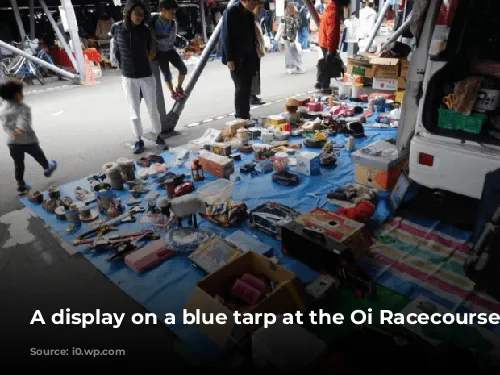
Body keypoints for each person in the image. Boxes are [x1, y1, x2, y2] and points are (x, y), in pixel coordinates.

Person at [110, 0, 167, 154]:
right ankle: (138, 140)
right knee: (134, 113)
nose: (140, 17)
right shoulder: (117, 28)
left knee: (153, 109)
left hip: (147, 75)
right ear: (128, 12)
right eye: (137, 14)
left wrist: (143, 60)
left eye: (142, 15)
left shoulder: (146, 31)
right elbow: (115, 51)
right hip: (128, 78)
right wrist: (124, 65)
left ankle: (158, 136)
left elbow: (151, 50)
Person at [0, 78, 57, 195]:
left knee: (18, 164)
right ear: (18, 94)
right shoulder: (23, 108)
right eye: (21, 92)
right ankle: (47, 168)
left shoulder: (2, 108)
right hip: (28, 141)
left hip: (12, 143)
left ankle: (21, 186)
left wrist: (13, 134)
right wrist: (18, 130)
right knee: (39, 155)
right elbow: (23, 124)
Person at [221, 0, 260, 120]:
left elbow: (252, 37)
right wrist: (229, 59)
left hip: (249, 56)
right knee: (240, 86)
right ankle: (239, 116)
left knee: (247, 86)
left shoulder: (249, 14)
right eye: (253, 2)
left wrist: (255, 55)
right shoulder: (231, 11)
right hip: (236, 57)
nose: (255, 5)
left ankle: (246, 114)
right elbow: (226, 36)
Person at [151, 0, 188, 100]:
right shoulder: (153, 20)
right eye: (172, 12)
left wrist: (156, 38)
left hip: (170, 50)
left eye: (174, 13)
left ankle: (179, 87)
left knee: (183, 69)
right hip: (160, 53)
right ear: (163, 10)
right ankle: (173, 93)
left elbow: (170, 40)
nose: (173, 15)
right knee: (167, 75)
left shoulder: (173, 23)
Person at [316, 0, 341, 92]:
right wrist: (330, 48)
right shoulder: (333, 12)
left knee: (325, 62)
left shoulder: (328, 9)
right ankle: (325, 86)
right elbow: (331, 32)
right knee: (328, 65)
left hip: (323, 41)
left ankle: (319, 81)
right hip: (328, 43)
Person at [251, 1, 266, 106]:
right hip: (253, 52)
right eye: (258, 7)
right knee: (253, 75)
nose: (260, 9)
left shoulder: (255, 19)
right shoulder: (250, 19)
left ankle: (254, 95)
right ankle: (252, 96)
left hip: (256, 51)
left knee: (256, 74)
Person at [283, 2, 304, 74]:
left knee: (290, 51)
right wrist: (291, 39)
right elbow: (294, 27)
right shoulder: (291, 17)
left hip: (288, 36)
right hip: (290, 37)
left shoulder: (289, 15)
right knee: (292, 51)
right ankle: (293, 66)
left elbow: (298, 25)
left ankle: (290, 67)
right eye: (294, 6)